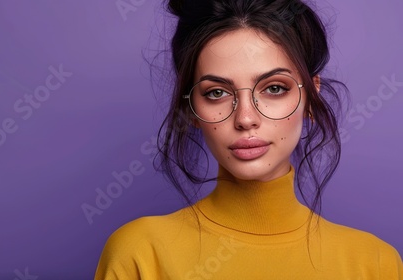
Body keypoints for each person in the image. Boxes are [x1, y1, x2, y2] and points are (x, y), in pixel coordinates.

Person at [95, 0, 403, 279]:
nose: (245, 118)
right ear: (191, 107)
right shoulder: (140, 255)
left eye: (274, 88)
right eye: (216, 92)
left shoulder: (374, 264)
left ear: (310, 96)